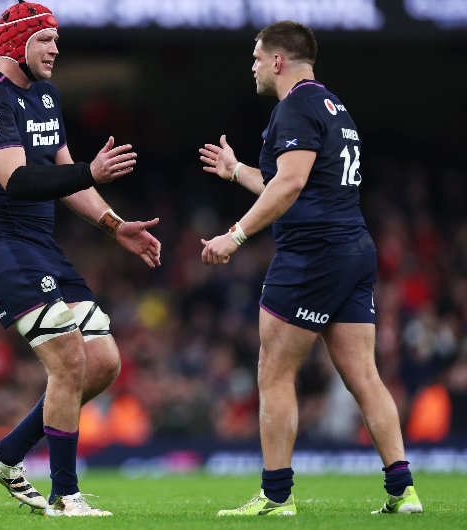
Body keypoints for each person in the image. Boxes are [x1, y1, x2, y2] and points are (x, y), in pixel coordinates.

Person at [199, 21, 422, 516]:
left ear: (278, 60)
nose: (253, 66)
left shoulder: (294, 107)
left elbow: (291, 184)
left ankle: (276, 496)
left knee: (274, 372)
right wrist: (236, 171)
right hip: (352, 250)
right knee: (364, 375)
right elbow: (295, 185)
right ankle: (403, 489)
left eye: (257, 57)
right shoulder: (334, 107)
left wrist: (235, 235)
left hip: (312, 256)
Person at [0, 0, 161, 517]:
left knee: (103, 362)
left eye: (56, 40)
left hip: (39, 245)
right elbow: (19, 180)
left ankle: (5, 456)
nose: (55, 50)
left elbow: (64, 173)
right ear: (16, 44)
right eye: (45, 40)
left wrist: (115, 225)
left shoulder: (47, 96)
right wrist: (91, 171)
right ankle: (65, 495)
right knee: (69, 359)